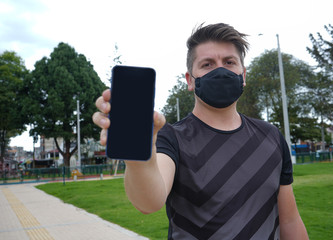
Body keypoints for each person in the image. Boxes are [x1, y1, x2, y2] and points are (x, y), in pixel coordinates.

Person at [93, 23, 308, 239]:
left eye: (229, 62)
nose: (220, 70)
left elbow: (289, 219)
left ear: (243, 75)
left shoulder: (271, 136)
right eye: (207, 64)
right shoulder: (172, 138)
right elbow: (149, 202)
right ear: (190, 80)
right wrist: (138, 154)